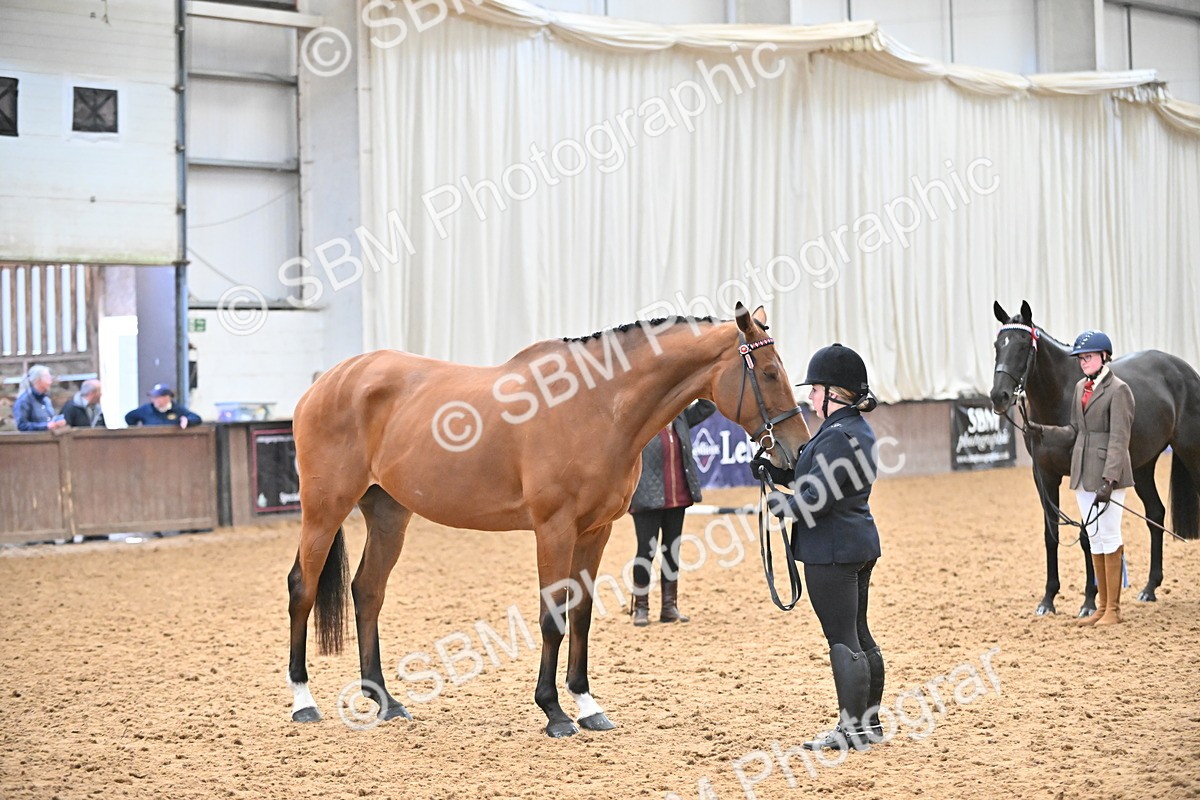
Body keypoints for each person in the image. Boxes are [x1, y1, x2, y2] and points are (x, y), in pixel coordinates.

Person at [753, 343, 883, 752]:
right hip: (855, 541)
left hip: (831, 550)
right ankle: (869, 723)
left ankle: (851, 730)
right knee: (860, 633)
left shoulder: (837, 435)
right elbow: (816, 478)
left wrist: (781, 503)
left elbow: (814, 500)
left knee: (842, 638)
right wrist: (773, 471)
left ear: (834, 393)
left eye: (815, 390)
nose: (809, 398)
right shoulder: (851, 430)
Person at [1027, 330, 1135, 627]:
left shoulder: (1119, 390)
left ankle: (1113, 608)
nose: (1083, 362)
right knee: (1095, 537)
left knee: (1110, 536)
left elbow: (1119, 439)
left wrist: (1109, 479)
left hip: (1106, 474)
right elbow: (1075, 431)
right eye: (1081, 358)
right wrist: (1044, 431)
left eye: (1088, 356)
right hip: (1083, 472)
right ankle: (1101, 606)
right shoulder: (1080, 389)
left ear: (1104, 357)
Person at [627, 398, 717, 626]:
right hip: (646, 498)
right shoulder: (641, 420)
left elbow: (708, 406)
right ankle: (641, 607)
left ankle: (669, 607)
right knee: (645, 552)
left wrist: (693, 385)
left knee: (671, 552)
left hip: (678, 497)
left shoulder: (680, 417)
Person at [14, 365, 67, 432]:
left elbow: (49, 421)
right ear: (38, 380)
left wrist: (56, 422)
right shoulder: (24, 400)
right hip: (33, 441)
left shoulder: (46, 400)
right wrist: (46, 426)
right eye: (47, 377)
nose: (50, 380)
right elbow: (22, 426)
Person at [125, 384, 202, 428]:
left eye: (158, 397)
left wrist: (187, 421)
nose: (154, 400)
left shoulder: (177, 409)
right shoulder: (147, 409)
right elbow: (129, 417)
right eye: (153, 397)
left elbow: (196, 418)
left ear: (167, 398)